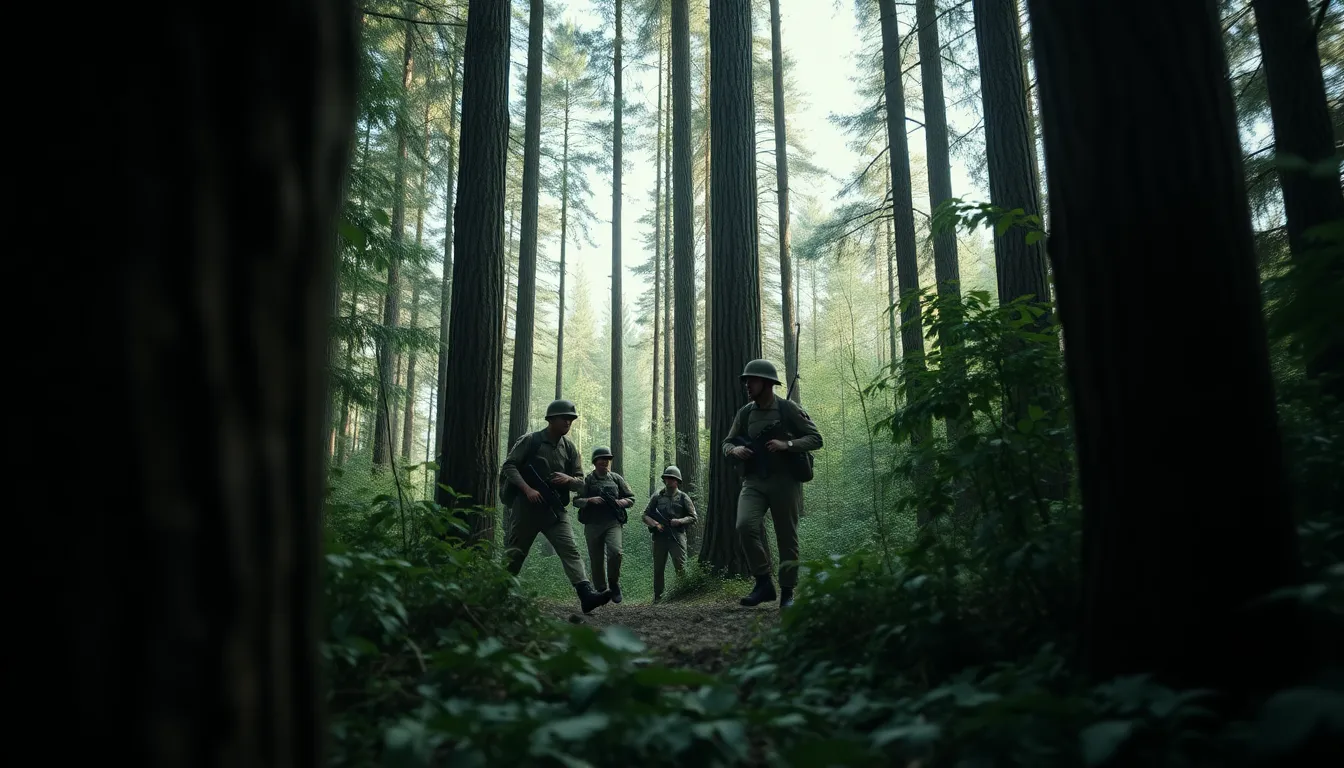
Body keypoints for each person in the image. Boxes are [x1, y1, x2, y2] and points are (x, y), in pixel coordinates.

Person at [723, 359, 823, 609]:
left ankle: (788, 592)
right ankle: (763, 582)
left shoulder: (788, 409)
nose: (747, 385)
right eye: (746, 381)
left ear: (767, 383)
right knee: (744, 525)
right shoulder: (745, 413)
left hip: (785, 481)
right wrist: (735, 450)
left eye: (752, 380)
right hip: (753, 481)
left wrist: (787, 444)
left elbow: (816, 438)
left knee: (787, 537)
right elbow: (727, 442)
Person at [499, 398, 612, 614]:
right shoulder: (530, 441)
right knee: (515, 553)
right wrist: (527, 489)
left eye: (571, 419)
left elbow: (582, 483)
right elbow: (509, 466)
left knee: (570, 549)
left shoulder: (569, 448)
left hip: (554, 511)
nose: (568, 422)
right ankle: (496, 594)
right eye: (564, 418)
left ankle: (586, 595)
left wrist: (569, 480)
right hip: (526, 509)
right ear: (551, 419)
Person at [572, 446, 636, 604]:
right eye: (602, 459)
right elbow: (576, 501)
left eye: (607, 459)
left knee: (616, 552)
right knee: (596, 558)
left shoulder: (616, 479)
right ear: (595, 462)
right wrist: (589, 500)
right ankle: (601, 589)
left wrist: (623, 502)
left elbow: (631, 498)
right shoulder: (588, 480)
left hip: (613, 522)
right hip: (593, 524)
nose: (605, 462)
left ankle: (614, 583)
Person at [642, 465, 697, 603]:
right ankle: (658, 598)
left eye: (672, 478)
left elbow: (693, 517)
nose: (669, 480)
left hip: (677, 536)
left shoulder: (683, 497)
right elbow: (645, 515)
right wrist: (655, 524)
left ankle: (682, 596)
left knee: (681, 566)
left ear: (677, 481)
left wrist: (679, 521)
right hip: (660, 537)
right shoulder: (657, 497)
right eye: (667, 478)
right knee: (658, 568)